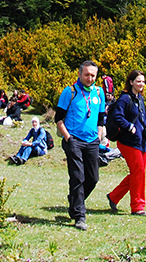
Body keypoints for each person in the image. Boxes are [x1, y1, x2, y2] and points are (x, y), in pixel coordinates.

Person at [55, 60, 107, 231]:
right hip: (74, 140)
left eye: (93, 75)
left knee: (93, 178)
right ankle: (79, 216)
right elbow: (58, 119)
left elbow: (100, 118)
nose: (90, 78)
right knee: (78, 177)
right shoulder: (69, 92)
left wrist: (99, 136)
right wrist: (68, 138)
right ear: (79, 74)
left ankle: (74, 201)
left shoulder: (99, 93)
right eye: (87, 74)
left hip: (92, 141)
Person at [106, 70, 146, 216]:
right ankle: (137, 207)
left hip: (140, 141)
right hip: (128, 142)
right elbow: (117, 117)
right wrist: (129, 127)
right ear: (131, 82)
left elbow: (141, 119)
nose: (141, 84)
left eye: (143, 81)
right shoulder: (125, 99)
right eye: (138, 81)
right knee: (138, 171)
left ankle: (114, 196)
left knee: (139, 172)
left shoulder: (140, 98)